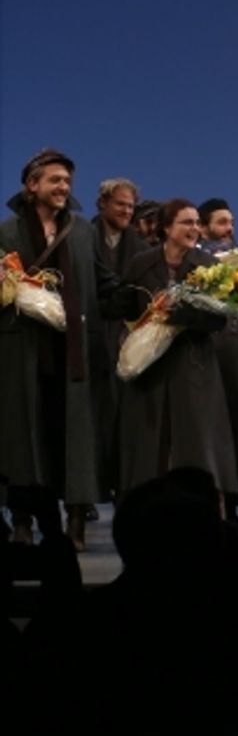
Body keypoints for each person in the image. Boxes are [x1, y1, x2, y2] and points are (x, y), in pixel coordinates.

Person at [0, 149, 119, 548]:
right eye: (55, 180)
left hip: (72, 355)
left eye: (67, 181)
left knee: (73, 437)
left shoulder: (83, 232)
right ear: (32, 185)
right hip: (23, 353)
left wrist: (144, 299)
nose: (63, 187)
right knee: (22, 438)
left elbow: (105, 285)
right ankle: (21, 521)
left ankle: (76, 521)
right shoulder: (7, 234)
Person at [112, 199, 238, 498]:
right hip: (150, 367)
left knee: (195, 442)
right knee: (147, 441)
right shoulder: (141, 263)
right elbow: (125, 306)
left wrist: (177, 316)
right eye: (186, 222)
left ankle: (204, 511)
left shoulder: (208, 266)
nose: (194, 228)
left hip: (193, 365)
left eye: (197, 223)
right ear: (167, 228)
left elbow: (218, 320)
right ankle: (142, 509)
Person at [90, 177, 151, 518]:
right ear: (102, 204)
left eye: (130, 206)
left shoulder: (140, 246)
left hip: (125, 340)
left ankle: (122, 488)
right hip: (91, 334)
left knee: (123, 416)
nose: (127, 211)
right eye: (120, 204)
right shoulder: (83, 237)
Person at [197, 197, 238, 526]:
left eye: (231, 223)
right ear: (203, 227)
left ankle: (231, 506)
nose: (228, 229)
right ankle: (208, 505)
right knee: (208, 431)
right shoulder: (194, 261)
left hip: (236, 354)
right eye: (221, 223)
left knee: (236, 429)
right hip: (207, 354)